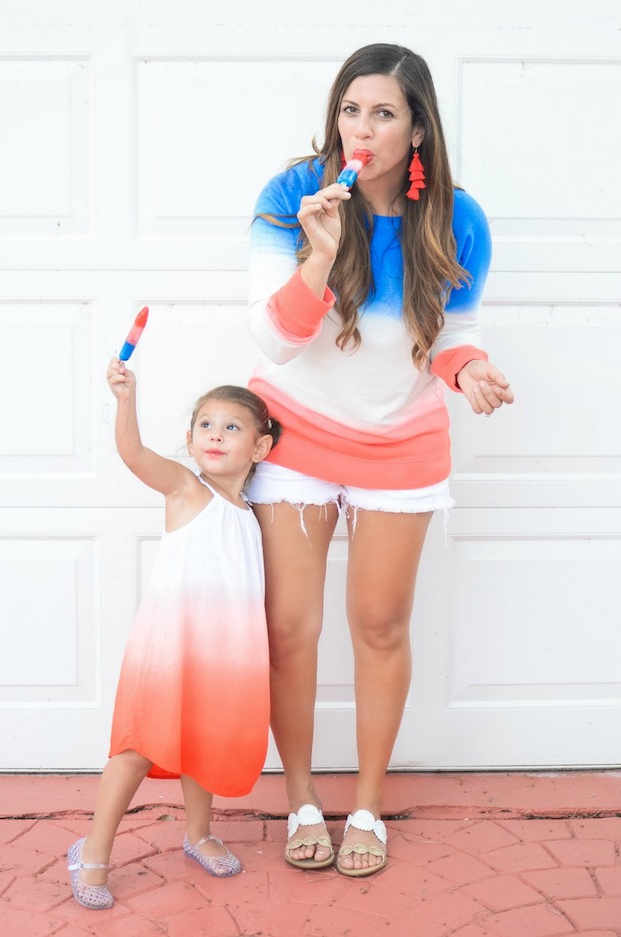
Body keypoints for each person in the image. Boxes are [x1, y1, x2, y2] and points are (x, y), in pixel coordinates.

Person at [244, 43, 514, 878]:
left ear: (417, 127)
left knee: (380, 626)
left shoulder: (457, 218)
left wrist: (470, 371)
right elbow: (272, 344)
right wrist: (318, 256)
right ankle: (297, 799)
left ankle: (365, 804)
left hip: (401, 441)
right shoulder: (293, 196)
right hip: (295, 432)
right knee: (291, 630)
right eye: (351, 110)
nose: (362, 128)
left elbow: (448, 340)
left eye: (384, 113)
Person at [67, 358, 281, 909]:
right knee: (139, 747)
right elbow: (134, 454)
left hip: (223, 653)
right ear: (190, 440)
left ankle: (198, 832)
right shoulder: (188, 490)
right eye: (206, 425)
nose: (216, 435)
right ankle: (93, 849)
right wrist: (126, 400)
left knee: (204, 740)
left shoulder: (251, 515)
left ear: (260, 447)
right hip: (169, 646)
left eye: (232, 427)